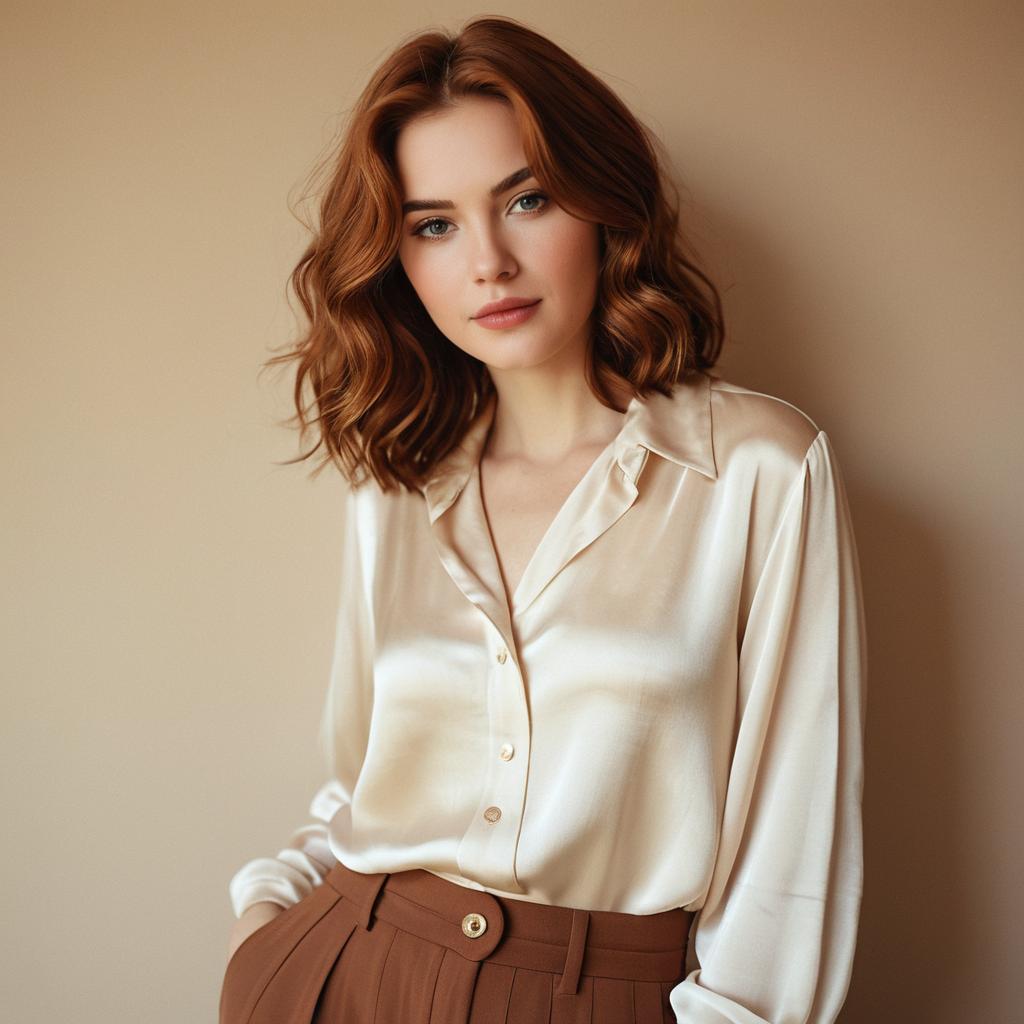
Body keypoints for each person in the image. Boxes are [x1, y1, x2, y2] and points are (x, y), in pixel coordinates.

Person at [219, 14, 867, 1024]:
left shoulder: (757, 469)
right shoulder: (394, 484)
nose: (488, 261)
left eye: (525, 200)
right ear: (401, 261)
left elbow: (791, 854)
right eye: (434, 224)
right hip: (354, 971)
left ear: (602, 204)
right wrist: (268, 925)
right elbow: (357, 779)